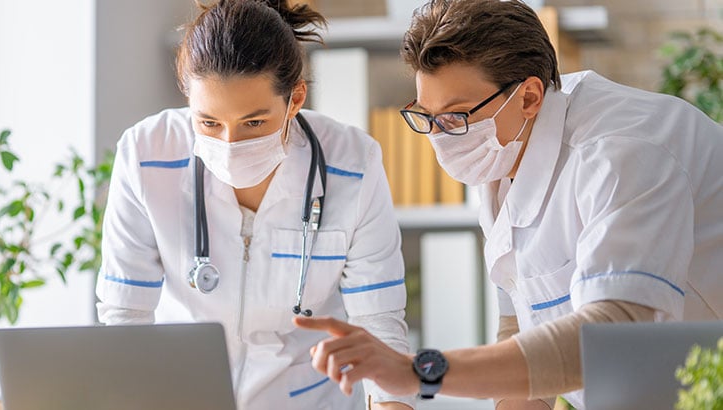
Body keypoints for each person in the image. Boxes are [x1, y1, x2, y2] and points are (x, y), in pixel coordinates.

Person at [294, 0, 723, 409]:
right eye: (427, 117)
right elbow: (520, 321)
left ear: (529, 96)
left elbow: (612, 331)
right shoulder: (501, 153)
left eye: (456, 116)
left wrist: (418, 372)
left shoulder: (621, 154)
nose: (441, 138)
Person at [94, 0, 414, 408]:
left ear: (295, 99)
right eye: (208, 122)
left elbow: (379, 324)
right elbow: (126, 319)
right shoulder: (146, 154)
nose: (230, 144)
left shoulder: (352, 164)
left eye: (254, 123)